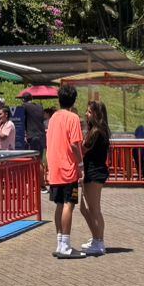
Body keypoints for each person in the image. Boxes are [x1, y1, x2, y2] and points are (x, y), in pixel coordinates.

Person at [46, 84, 85, 258]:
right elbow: (75, 144)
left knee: (59, 204)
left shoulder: (53, 117)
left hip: (55, 167)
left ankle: (60, 242)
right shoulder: (73, 118)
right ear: (73, 100)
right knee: (69, 204)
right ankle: (66, 246)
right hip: (68, 167)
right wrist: (81, 164)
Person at [79, 97, 111, 256]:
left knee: (93, 209)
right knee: (86, 208)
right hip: (93, 170)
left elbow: (82, 149)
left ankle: (99, 242)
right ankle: (96, 238)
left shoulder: (97, 132)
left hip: (94, 171)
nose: (86, 114)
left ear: (97, 114)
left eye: (89, 112)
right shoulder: (97, 130)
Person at [22, 96, 47, 187]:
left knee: (35, 161)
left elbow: (22, 120)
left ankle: (40, 184)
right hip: (42, 136)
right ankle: (41, 182)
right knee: (40, 160)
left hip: (32, 136)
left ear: (23, 100)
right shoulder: (39, 107)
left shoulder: (25, 106)